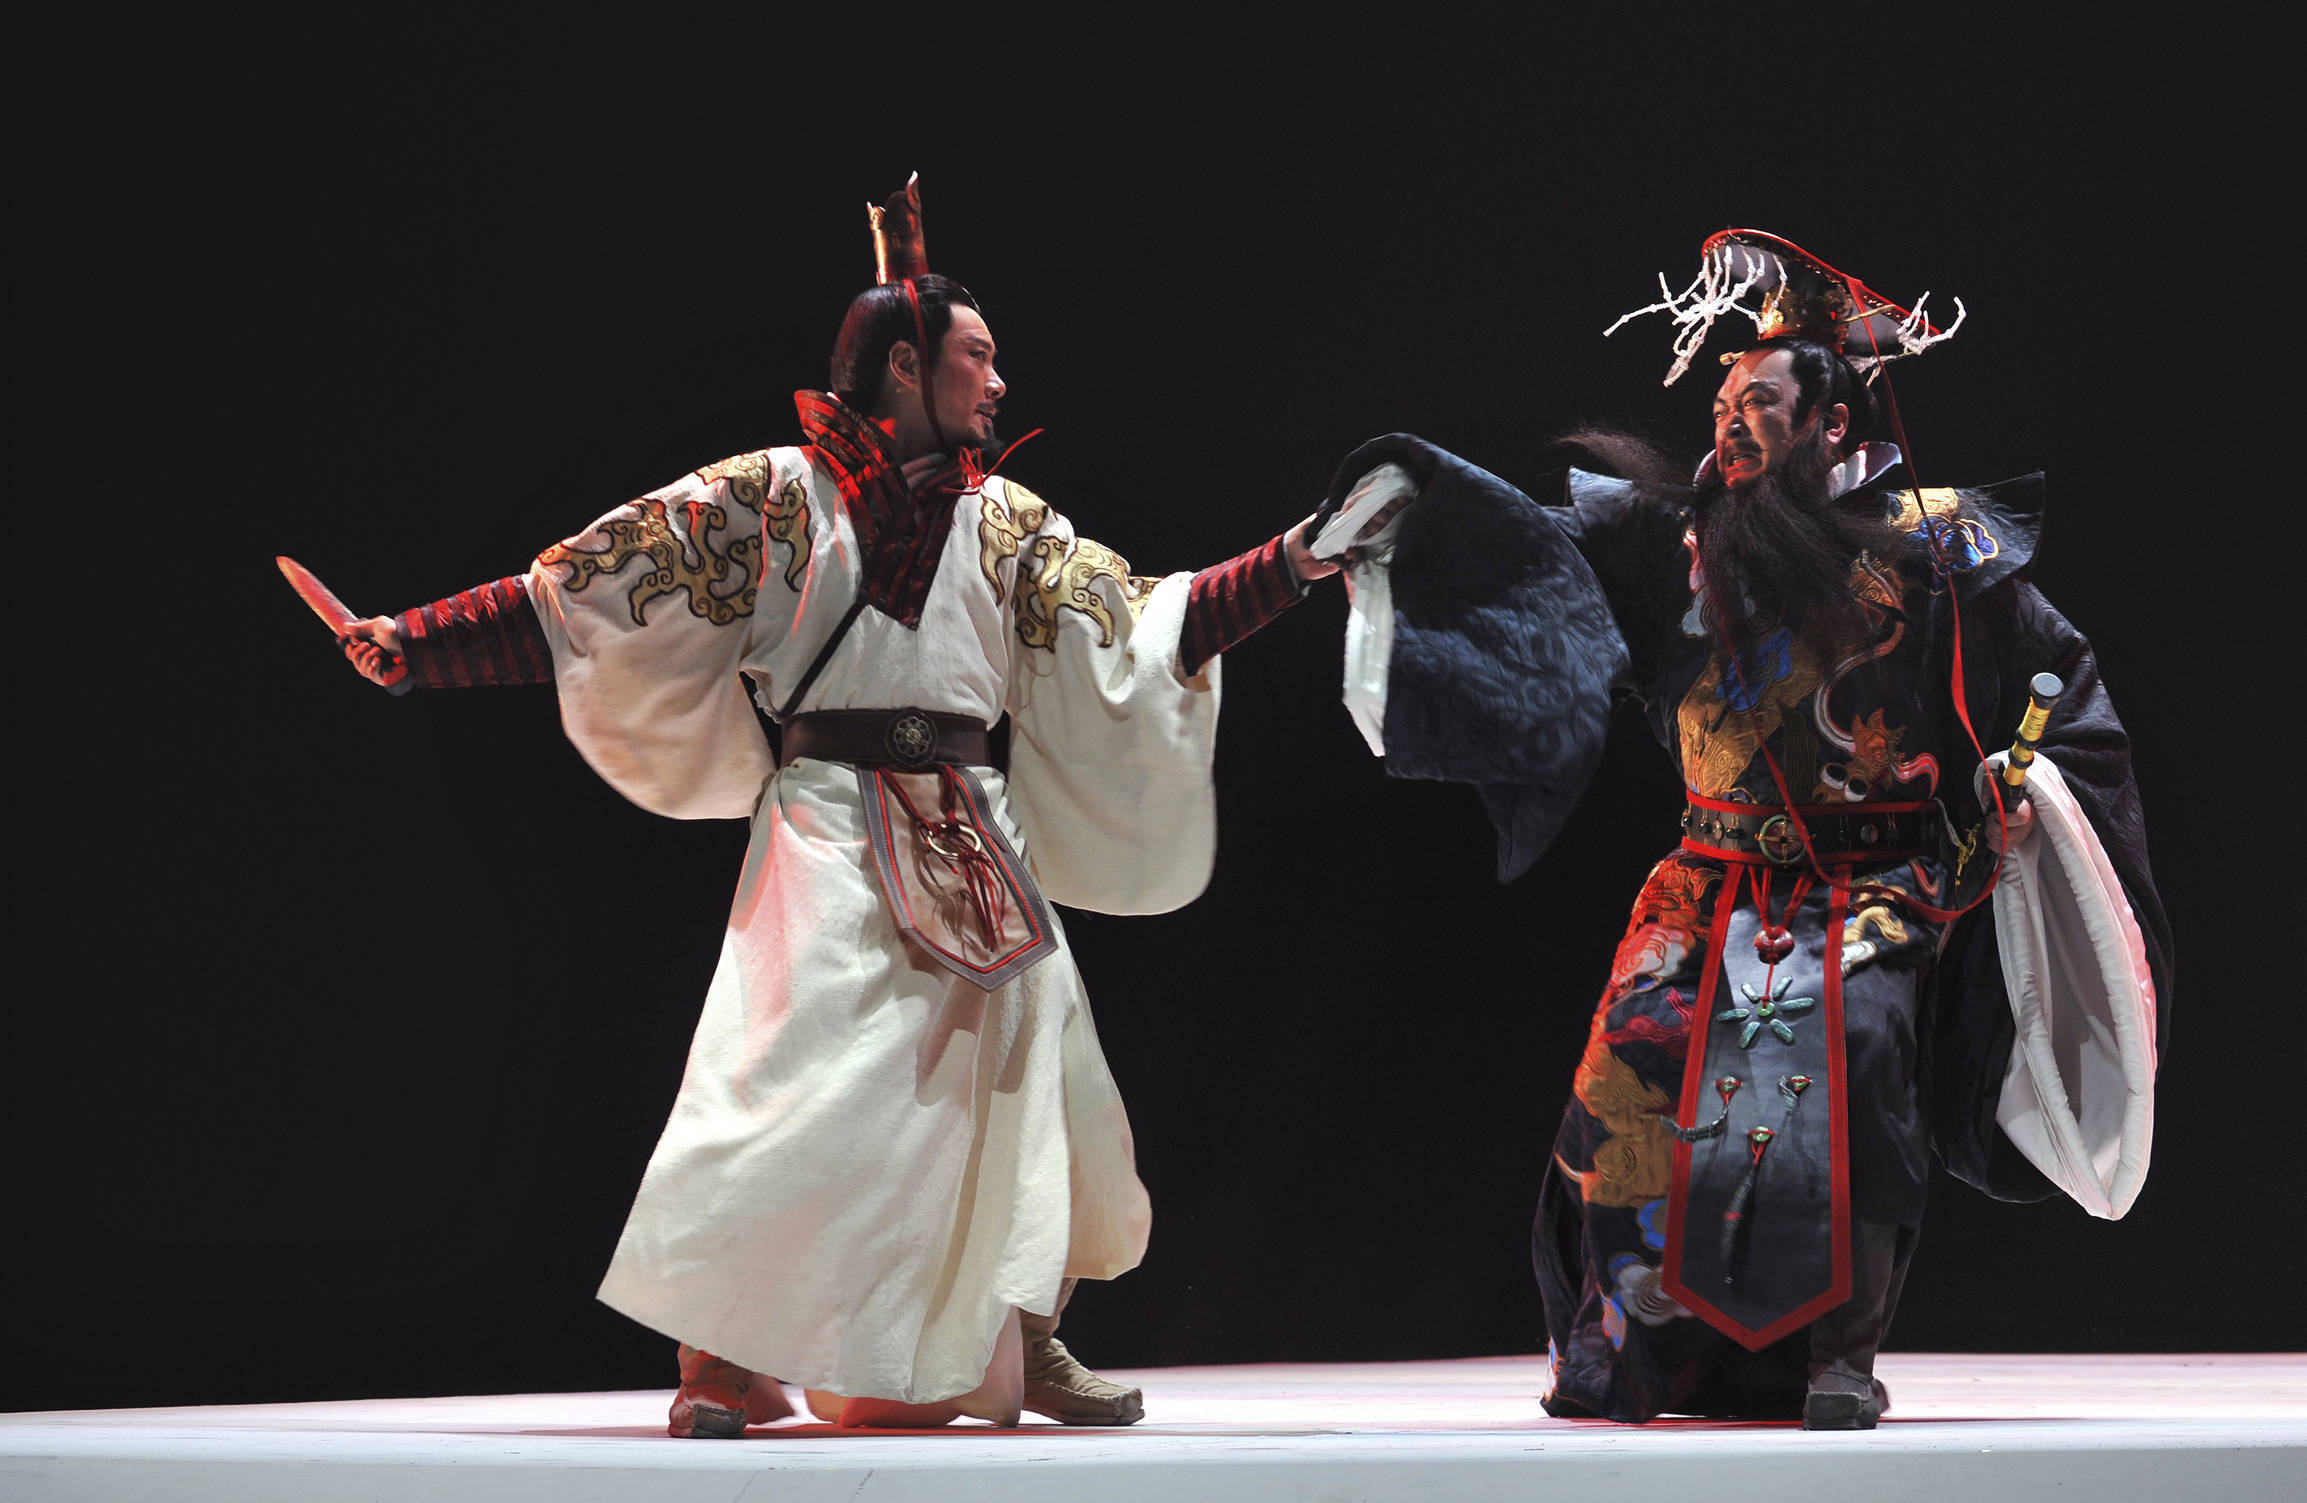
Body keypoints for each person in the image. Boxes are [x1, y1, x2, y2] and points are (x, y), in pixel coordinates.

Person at [325, 177, 1343, 1434]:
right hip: (828, 820)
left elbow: (1138, 622)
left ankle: (1026, 1333)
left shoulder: (1007, 521)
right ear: (907, 368)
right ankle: (719, 1362)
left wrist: (1295, 562)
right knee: (782, 1081)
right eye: (978, 356)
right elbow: (593, 590)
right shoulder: (770, 499)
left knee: (1034, 1077)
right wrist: (416, 644)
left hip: (971, 827)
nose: (1002, 382)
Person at [1308, 231, 2169, 1428]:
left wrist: (2034, 788)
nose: (1731, 424)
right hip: (1705, 876)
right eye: (1722, 404)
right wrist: (1418, 505)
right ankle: (1622, 1347)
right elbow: (1530, 556)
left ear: (1828, 422)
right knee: (1628, 1067)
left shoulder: (1928, 543)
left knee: (1859, 1058)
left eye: (1760, 402)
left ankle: (1838, 1355)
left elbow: (2058, 677)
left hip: (1874, 881)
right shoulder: (1673, 539)